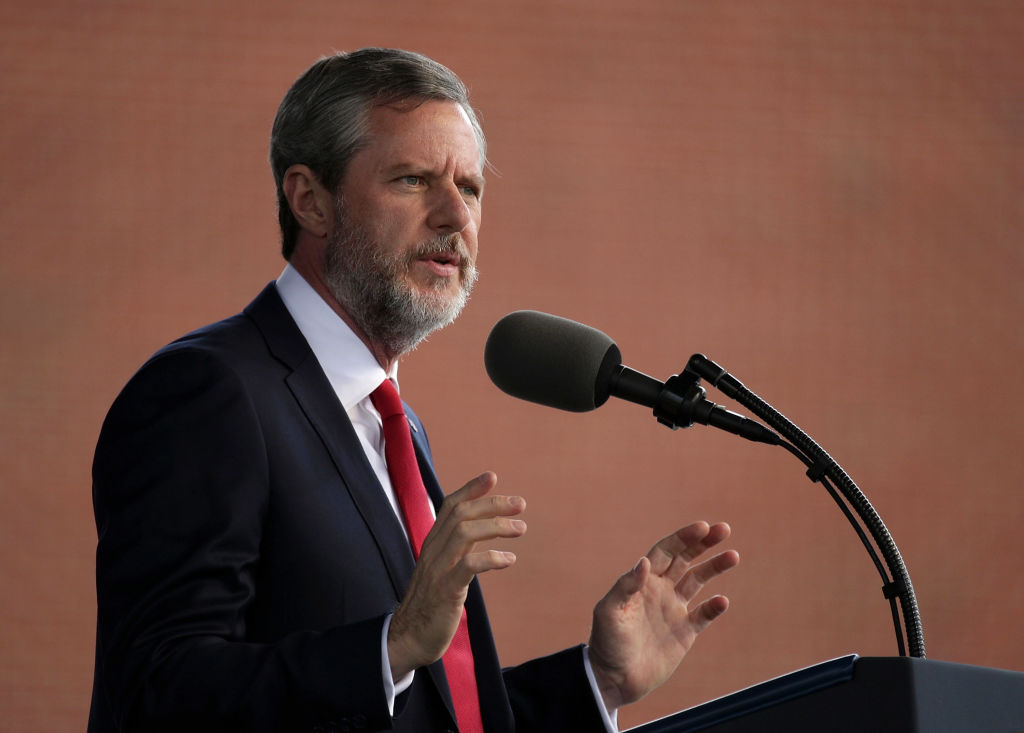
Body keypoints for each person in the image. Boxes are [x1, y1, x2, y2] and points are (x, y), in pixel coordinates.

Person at [88, 47, 740, 733]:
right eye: (412, 180)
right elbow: (156, 693)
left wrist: (597, 678)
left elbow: (429, 706)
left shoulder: (388, 422)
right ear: (310, 200)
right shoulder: (209, 393)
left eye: (472, 187)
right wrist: (392, 643)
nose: (455, 215)